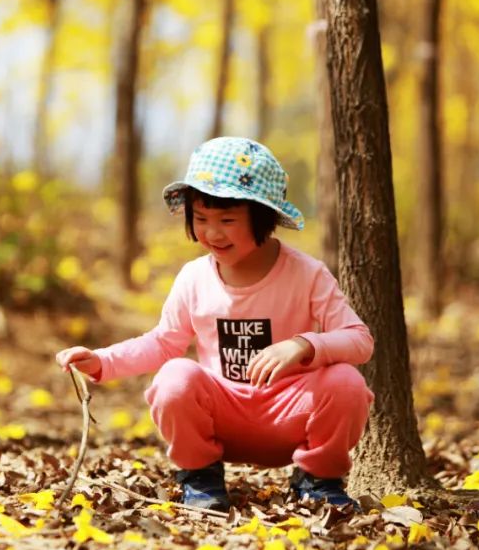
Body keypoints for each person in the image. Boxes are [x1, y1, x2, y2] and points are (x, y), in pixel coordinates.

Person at [55, 137, 374, 511]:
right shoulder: (194, 278)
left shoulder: (306, 274)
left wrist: (302, 345)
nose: (212, 233)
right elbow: (163, 343)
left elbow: (359, 340)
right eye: (201, 219)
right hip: (224, 416)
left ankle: (318, 479)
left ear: (263, 216)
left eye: (227, 220)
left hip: (289, 414)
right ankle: (200, 475)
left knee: (347, 382)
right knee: (175, 376)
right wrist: (102, 361)